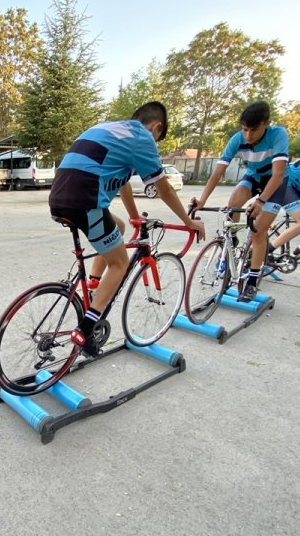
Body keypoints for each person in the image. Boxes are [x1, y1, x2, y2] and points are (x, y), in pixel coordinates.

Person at [48, 101, 205, 356]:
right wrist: (189, 222)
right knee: (120, 263)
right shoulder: (142, 137)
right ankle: (85, 330)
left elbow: (124, 185)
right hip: (85, 200)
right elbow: (164, 189)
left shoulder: (112, 129)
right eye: (159, 139)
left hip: (60, 198)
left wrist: (133, 217)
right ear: (156, 127)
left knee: (117, 226)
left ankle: (94, 284)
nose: (155, 145)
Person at [190, 101, 300, 302]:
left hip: (276, 182)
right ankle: (234, 238)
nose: (248, 135)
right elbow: (218, 172)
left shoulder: (278, 135)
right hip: (253, 176)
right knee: (233, 203)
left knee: (258, 231)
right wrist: (202, 200)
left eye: (253, 130)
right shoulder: (237, 139)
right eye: (244, 129)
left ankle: (252, 282)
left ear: (266, 124)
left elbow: (279, 173)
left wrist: (261, 201)